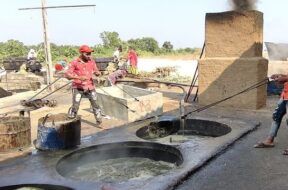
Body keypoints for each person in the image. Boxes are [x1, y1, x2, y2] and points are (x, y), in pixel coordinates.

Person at [65, 45, 103, 124]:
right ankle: (72, 122)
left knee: (95, 104)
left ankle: (99, 121)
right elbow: (67, 75)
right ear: (81, 53)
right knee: (75, 106)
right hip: (78, 87)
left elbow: (96, 70)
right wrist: (78, 77)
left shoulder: (91, 61)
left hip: (90, 86)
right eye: (87, 54)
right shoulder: (75, 62)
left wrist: (98, 73)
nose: (89, 55)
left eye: (90, 53)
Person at [254, 74, 288, 154]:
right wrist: (279, 75)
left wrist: (284, 78)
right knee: (276, 117)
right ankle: (269, 141)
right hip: (285, 95)